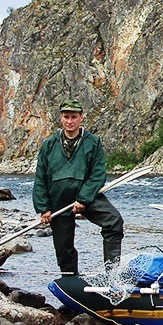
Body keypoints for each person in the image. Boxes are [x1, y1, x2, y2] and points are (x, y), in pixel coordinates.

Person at [32, 99, 124, 275]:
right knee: (63, 246)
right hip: (58, 200)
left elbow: (98, 174)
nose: (70, 121)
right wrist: (43, 208)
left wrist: (83, 199)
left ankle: (113, 274)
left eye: (74, 117)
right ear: (61, 118)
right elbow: (40, 177)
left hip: (86, 196)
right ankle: (69, 279)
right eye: (66, 117)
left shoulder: (93, 142)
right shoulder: (49, 144)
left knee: (114, 221)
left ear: (81, 117)